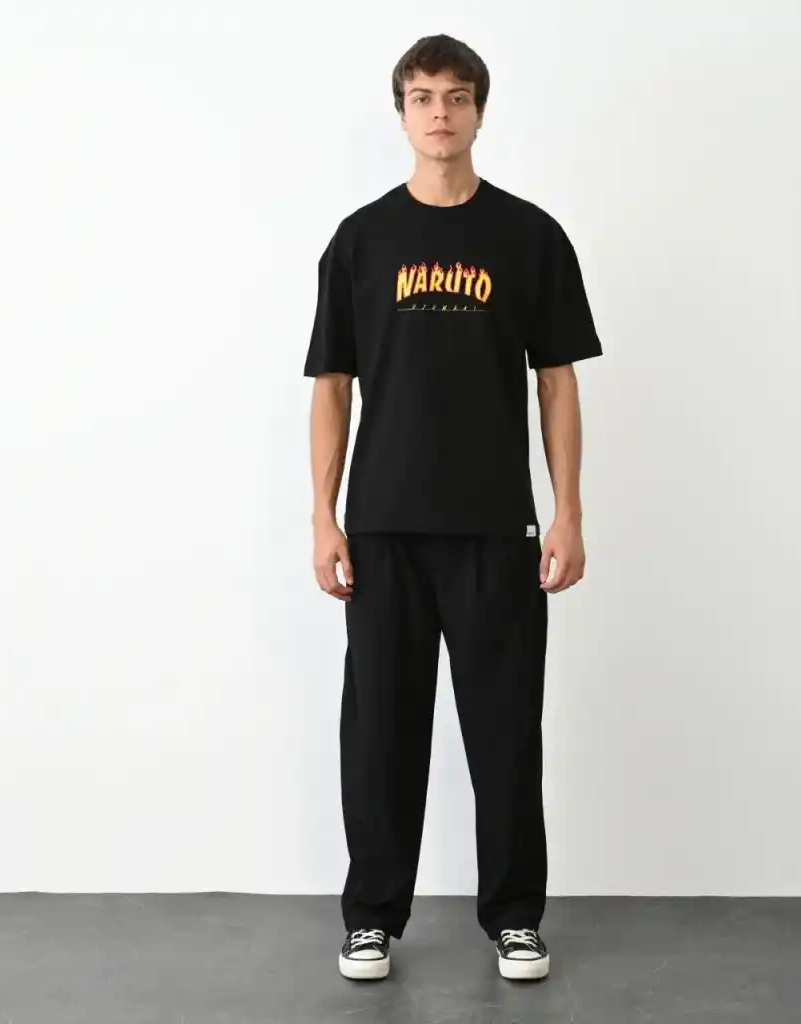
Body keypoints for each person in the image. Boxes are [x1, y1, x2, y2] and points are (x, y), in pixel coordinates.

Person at [304, 33, 602, 983]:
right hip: (383, 528)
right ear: (401, 113)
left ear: (480, 111)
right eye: (424, 97)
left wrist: (568, 511)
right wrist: (323, 515)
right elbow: (332, 384)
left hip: (495, 528)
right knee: (380, 735)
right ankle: (371, 920)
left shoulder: (529, 236)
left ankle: (515, 919)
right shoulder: (361, 240)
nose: (441, 113)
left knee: (505, 733)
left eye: (457, 96)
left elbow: (556, 381)